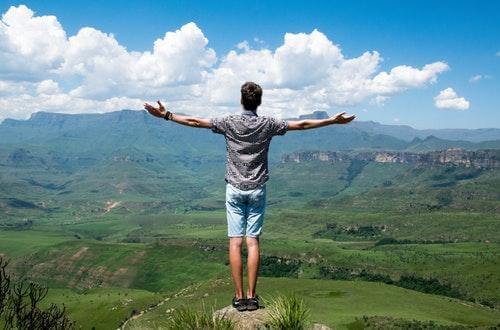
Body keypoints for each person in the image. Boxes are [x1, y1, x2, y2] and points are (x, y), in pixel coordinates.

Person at [144, 81, 355, 312]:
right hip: (257, 189)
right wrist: (332, 120)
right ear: (259, 101)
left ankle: (238, 297)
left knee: (235, 242)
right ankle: (252, 298)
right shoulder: (268, 123)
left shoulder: (229, 122)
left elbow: (195, 122)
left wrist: (167, 116)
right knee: (252, 241)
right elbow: (302, 124)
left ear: (241, 100)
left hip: (234, 188)